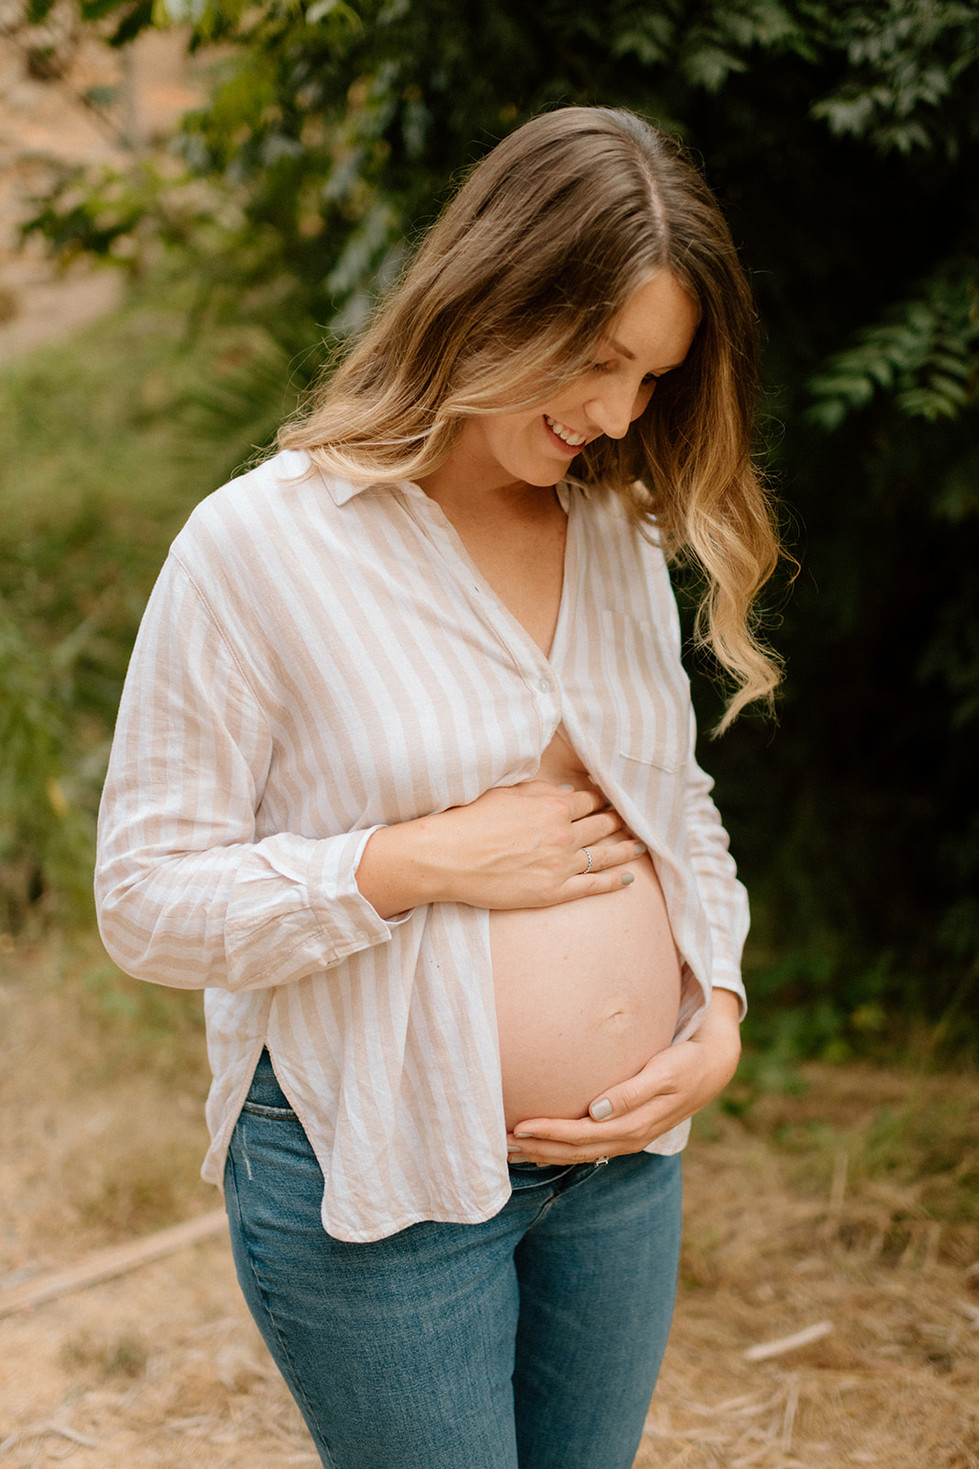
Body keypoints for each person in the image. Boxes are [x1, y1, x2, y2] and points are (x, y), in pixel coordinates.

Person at [95, 106, 781, 1469]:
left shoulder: (618, 531)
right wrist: (411, 863)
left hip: (625, 1169)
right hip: (381, 1180)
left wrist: (722, 1009)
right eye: (595, 360)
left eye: (649, 379)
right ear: (493, 294)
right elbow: (142, 901)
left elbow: (674, 808)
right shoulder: (263, 546)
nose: (614, 414)